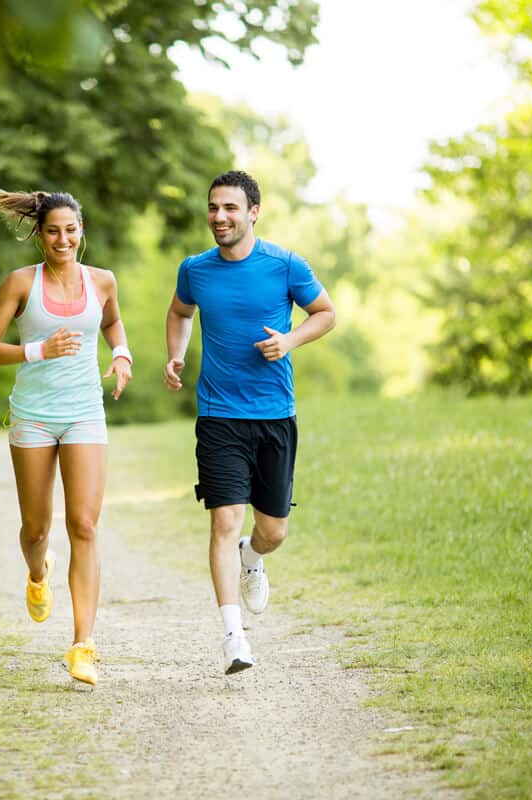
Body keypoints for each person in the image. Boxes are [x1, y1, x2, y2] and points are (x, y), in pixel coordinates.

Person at [164, 170, 336, 675]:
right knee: (223, 519)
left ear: (253, 211)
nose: (219, 217)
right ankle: (234, 638)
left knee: (273, 531)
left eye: (230, 208)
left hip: (274, 415)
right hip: (219, 416)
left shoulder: (284, 265)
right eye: (213, 208)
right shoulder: (195, 270)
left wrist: (289, 341)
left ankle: (253, 558)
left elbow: (325, 313)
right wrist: (176, 354)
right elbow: (179, 312)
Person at [0, 189, 133, 686]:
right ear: (40, 234)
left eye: (70, 229)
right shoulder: (21, 283)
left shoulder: (102, 281)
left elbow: (110, 321)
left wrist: (122, 352)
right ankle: (37, 572)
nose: (62, 239)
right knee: (36, 530)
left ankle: (83, 645)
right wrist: (37, 350)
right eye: (52, 230)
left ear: (81, 230)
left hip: (85, 412)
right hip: (34, 416)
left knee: (84, 525)